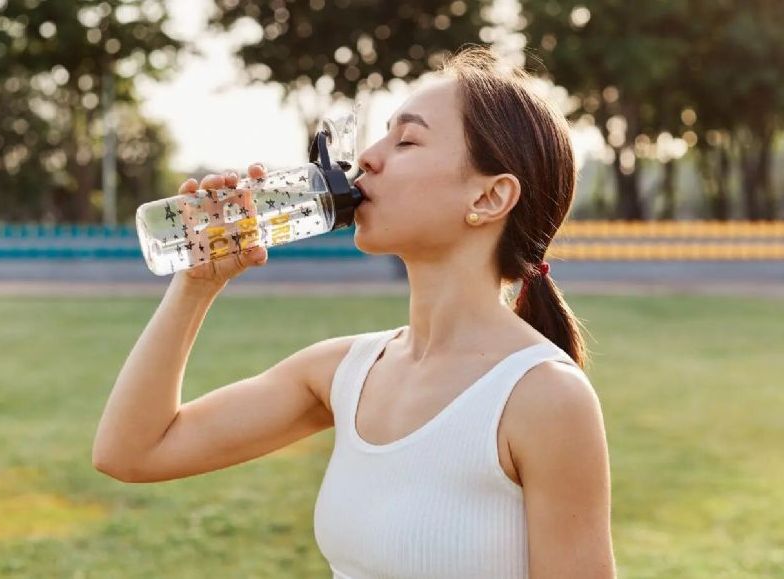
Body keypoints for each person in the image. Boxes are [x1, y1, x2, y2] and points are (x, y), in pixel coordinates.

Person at [93, 45, 616, 579]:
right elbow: (133, 452)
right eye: (382, 134)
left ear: (488, 199)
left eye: (407, 140)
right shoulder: (343, 372)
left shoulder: (545, 397)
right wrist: (196, 286)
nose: (367, 156)